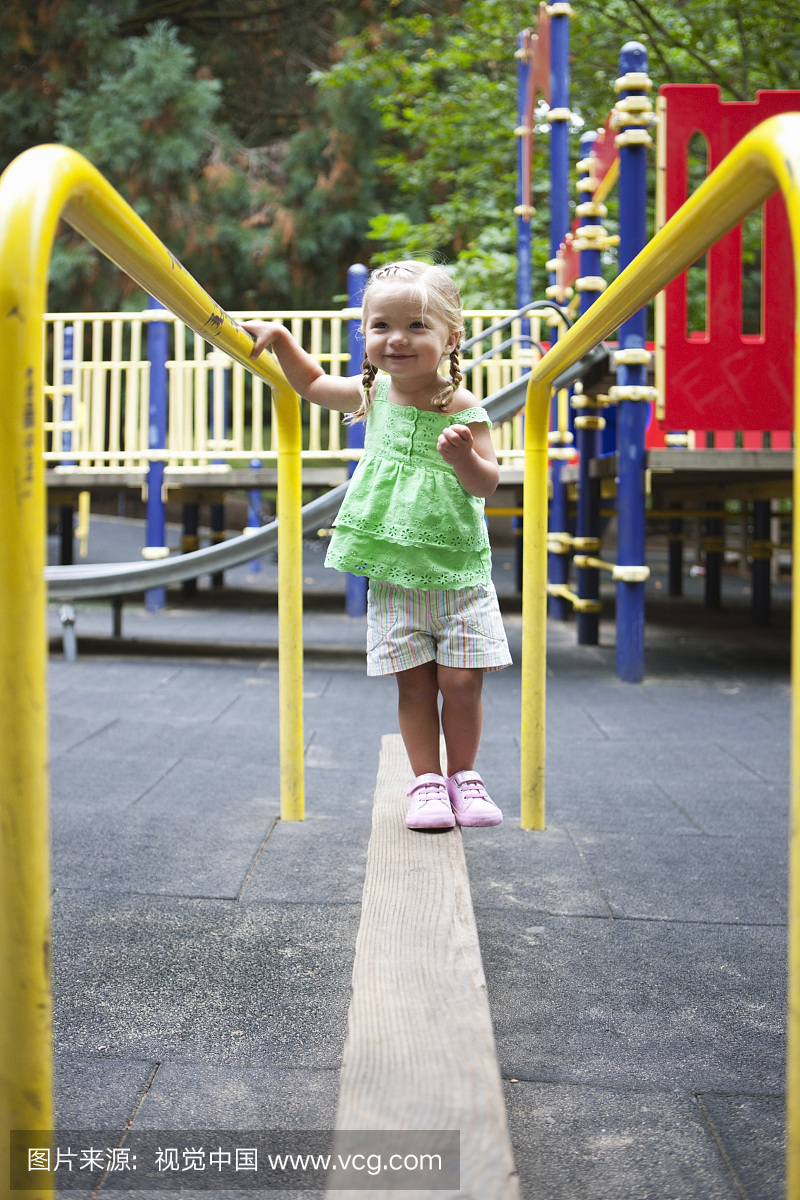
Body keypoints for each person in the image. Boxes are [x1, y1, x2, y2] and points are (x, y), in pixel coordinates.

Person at [242, 261, 511, 832]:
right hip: (394, 569)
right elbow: (313, 385)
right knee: (414, 682)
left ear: (450, 338)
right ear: (365, 335)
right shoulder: (374, 394)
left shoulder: (461, 407)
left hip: (459, 569)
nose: (398, 339)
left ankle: (464, 775)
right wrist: (284, 341)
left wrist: (463, 457)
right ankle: (426, 784)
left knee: (462, 682)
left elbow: (488, 482)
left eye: (416, 325)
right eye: (382, 325)